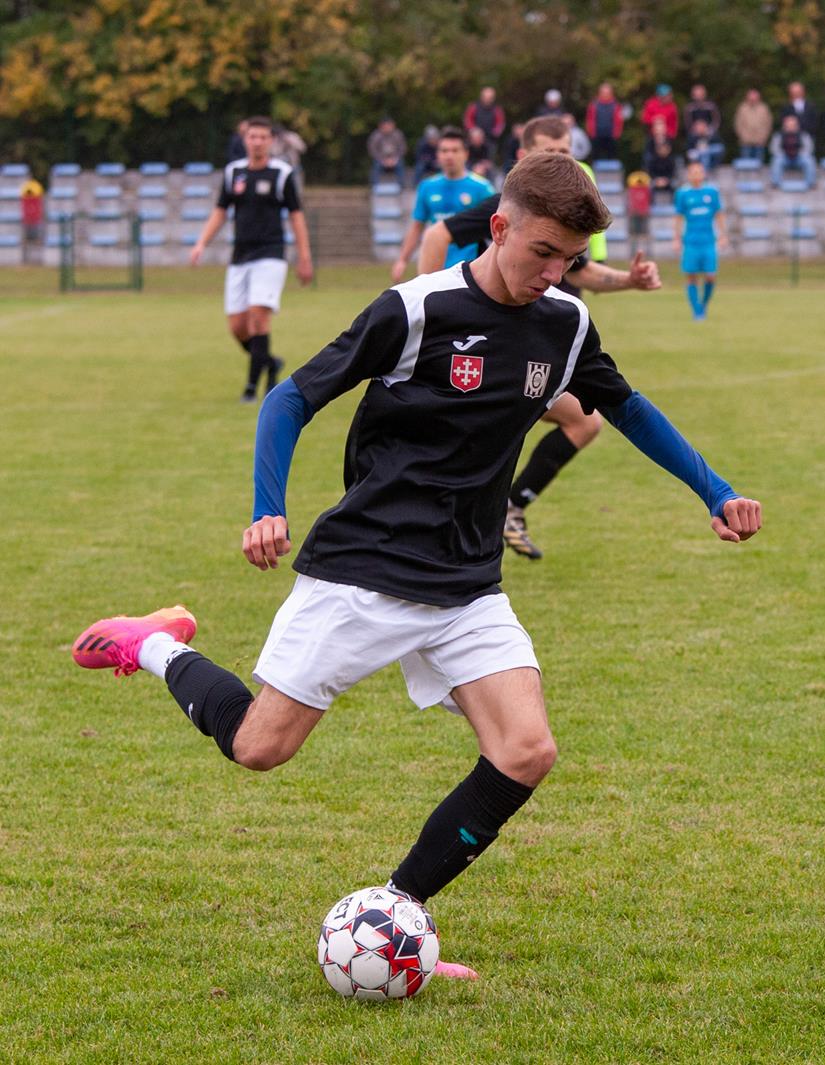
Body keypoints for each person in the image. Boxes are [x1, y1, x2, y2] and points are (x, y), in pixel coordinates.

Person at [71, 152, 761, 984]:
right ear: (499, 226)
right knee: (259, 747)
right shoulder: (417, 309)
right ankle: (154, 643)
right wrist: (267, 504)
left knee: (526, 749)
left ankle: (396, 918)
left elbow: (627, 407)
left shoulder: (565, 323)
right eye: (542, 252)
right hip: (364, 566)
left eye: (571, 259)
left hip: (468, 581)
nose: (556, 273)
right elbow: (293, 397)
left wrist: (714, 490)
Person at [416, 118, 665, 563]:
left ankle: (497, 512)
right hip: (509, 344)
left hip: (551, 344)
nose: (562, 161)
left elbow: (582, 272)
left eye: (567, 152)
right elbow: (438, 234)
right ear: (525, 154)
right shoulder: (511, 206)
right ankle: (487, 516)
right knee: (556, 423)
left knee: (581, 422)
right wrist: (428, 311)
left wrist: (629, 280)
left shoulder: (562, 215)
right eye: (551, 151)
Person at [190, 115, 314, 402]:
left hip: (271, 254)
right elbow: (221, 210)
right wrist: (201, 243)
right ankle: (271, 363)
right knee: (237, 327)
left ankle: (252, 387)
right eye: (252, 136)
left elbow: (296, 216)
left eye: (262, 137)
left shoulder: (281, 174)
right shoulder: (234, 172)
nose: (257, 141)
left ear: (270, 141)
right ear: (245, 140)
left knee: (259, 317)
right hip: (240, 256)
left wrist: (304, 256)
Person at [390, 127, 495, 282]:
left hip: (470, 271)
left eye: (454, 150)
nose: (449, 155)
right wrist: (402, 260)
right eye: (444, 151)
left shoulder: (482, 188)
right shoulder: (427, 187)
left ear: (465, 154)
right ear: (437, 155)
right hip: (435, 270)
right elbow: (417, 226)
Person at [674, 160, 725, 321]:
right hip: (691, 242)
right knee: (692, 276)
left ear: (703, 174)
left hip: (708, 241)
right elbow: (679, 217)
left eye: (699, 172)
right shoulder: (683, 194)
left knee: (711, 275)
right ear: (688, 175)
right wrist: (677, 238)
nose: (696, 175)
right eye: (693, 172)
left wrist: (723, 235)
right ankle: (697, 310)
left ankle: (703, 305)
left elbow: (719, 215)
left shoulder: (711, 192)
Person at [768, 114, 816, 188]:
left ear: (797, 125)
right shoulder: (778, 135)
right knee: (776, 161)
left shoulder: (804, 135)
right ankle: (776, 183)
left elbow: (809, 148)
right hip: (784, 158)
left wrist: (799, 153)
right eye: (788, 125)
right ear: (784, 126)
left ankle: (810, 183)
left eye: (793, 125)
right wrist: (783, 154)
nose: (791, 127)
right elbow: (773, 149)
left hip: (799, 157)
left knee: (809, 161)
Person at [464, 87, 507, 168]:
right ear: (481, 97)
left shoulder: (497, 109)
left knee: (489, 161)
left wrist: (495, 132)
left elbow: (500, 124)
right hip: (474, 139)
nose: (488, 99)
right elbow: (468, 120)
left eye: (490, 97)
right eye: (486, 97)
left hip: (489, 140)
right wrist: (473, 131)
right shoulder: (474, 107)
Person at [585, 82, 625, 162]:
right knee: (596, 158)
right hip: (596, 136)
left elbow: (619, 121)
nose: (605, 94)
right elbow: (589, 119)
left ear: (611, 93)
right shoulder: (593, 105)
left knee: (612, 158)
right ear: (599, 93)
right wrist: (590, 132)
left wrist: (617, 133)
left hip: (611, 136)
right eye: (603, 92)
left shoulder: (616, 105)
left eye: (607, 93)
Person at [734, 89, 772, 161]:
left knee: (758, 164)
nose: (753, 99)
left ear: (758, 97)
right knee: (746, 164)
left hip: (760, 141)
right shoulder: (742, 108)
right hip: (745, 142)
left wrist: (764, 137)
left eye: (755, 97)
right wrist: (742, 136)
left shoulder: (764, 108)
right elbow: (737, 123)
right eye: (751, 97)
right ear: (747, 97)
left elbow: (768, 124)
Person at [644, 118, 678, 202]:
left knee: (676, 185)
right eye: (657, 127)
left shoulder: (670, 141)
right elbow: (647, 165)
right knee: (647, 186)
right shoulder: (649, 142)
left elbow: (674, 165)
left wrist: (667, 179)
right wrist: (656, 180)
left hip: (668, 174)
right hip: (654, 173)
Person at [367, 117, 407, 186]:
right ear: (381, 126)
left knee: (400, 164)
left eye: (390, 125)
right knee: (376, 166)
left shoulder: (398, 134)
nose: (388, 127)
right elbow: (372, 149)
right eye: (386, 125)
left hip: (395, 159)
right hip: (380, 159)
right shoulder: (376, 135)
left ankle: (401, 186)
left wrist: (395, 159)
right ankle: (374, 187)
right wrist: (382, 160)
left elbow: (403, 148)